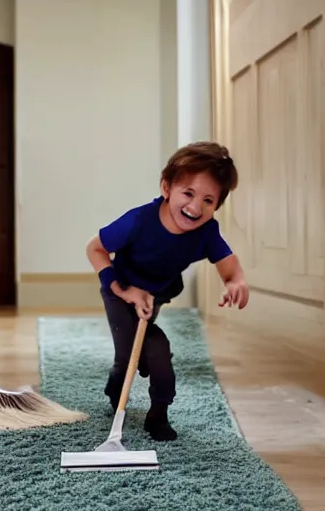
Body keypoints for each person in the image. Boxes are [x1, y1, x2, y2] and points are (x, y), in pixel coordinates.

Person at [86, 141, 249, 442]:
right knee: (131, 353)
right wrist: (124, 289)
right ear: (166, 187)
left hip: (155, 293)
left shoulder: (206, 232)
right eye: (188, 193)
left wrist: (235, 282)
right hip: (119, 290)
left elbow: (228, 264)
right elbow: (95, 248)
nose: (195, 207)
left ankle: (158, 414)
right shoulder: (138, 221)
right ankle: (116, 388)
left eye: (208, 200)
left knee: (153, 351)